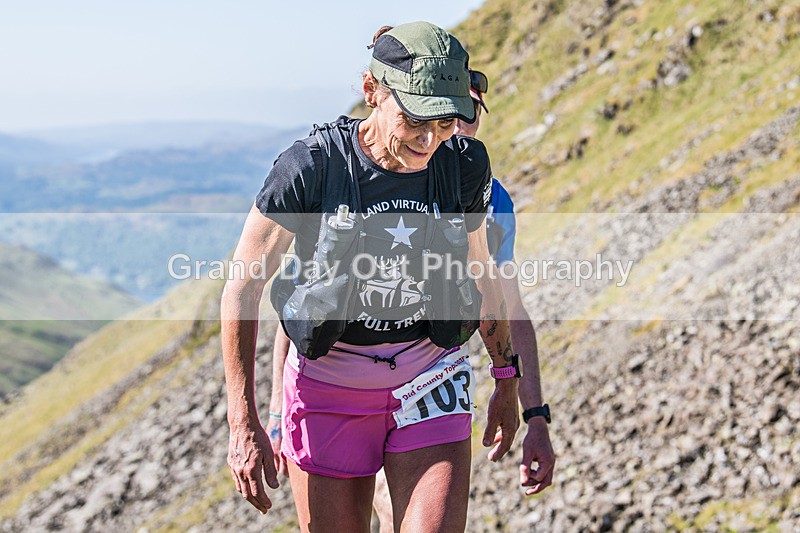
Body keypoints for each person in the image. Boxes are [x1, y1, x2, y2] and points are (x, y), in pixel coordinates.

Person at [222, 22, 540, 532]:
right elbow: (244, 286)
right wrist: (246, 421)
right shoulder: (310, 167)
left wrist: (507, 380)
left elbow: (482, 276)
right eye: (416, 117)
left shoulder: (463, 166)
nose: (431, 138)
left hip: (430, 375)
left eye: (444, 122)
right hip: (330, 386)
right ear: (371, 90)